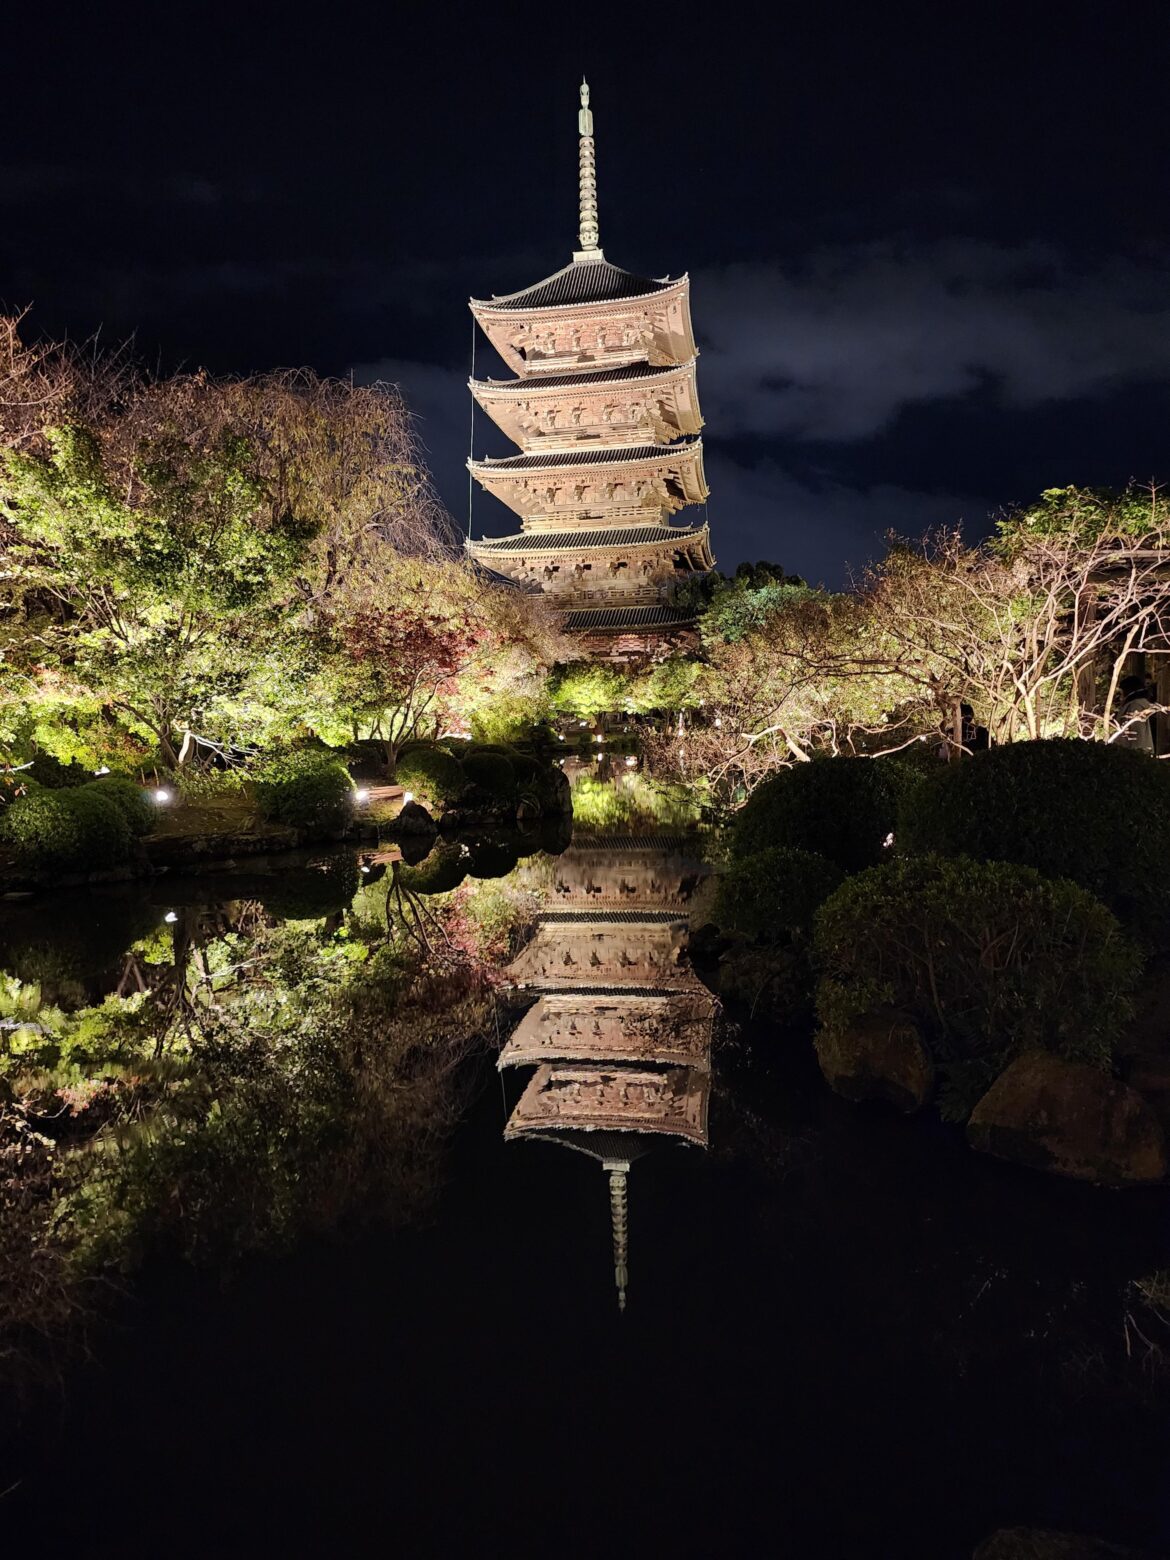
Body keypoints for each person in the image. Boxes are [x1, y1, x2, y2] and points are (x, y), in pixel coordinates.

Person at [1116, 675, 1156, 753]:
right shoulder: (1140, 704)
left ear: (1128, 690)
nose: (1120, 697)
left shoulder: (1135, 706)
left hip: (1134, 756)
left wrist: (1136, 756)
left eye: (1121, 693)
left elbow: (1137, 735)